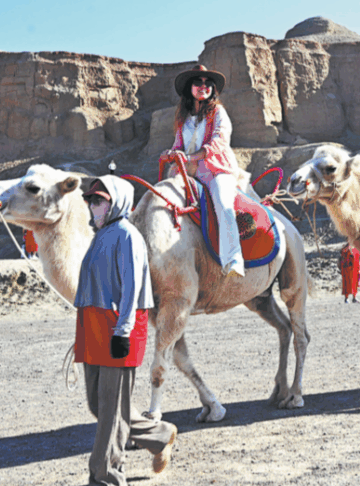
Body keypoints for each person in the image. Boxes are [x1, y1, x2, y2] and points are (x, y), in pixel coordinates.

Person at [75, 176, 177, 485]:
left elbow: (131, 287)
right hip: (95, 328)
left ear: (116, 200)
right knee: (100, 403)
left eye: (98, 200)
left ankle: (105, 475)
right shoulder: (101, 235)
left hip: (118, 329)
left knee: (109, 411)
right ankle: (159, 435)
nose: (92, 206)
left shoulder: (127, 235)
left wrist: (123, 329)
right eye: (90, 200)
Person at [162, 63, 245, 278]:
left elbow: (220, 141)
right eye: (198, 82)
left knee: (223, 204)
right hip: (189, 172)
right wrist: (171, 153)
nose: (203, 86)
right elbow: (178, 144)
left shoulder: (218, 112)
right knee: (165, 198)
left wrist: (191, 157)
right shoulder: (183, 119)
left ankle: (234, 259)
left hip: (216, 170)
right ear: (190, 87)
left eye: (208, 83)